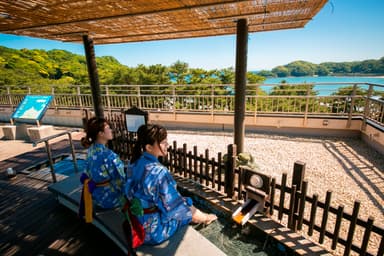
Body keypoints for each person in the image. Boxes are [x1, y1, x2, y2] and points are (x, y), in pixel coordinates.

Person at [124, 123, 217, 245]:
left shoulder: (134, 163)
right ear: (149, 147)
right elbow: (177, 209)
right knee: (185, 207)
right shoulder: (159, 172)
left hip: (134, 221)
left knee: (180, 201)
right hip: (152, 231)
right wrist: (200, 215)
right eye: (162, 142)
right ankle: (206, 218)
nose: (166, 144)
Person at [79, 117, 126, 222]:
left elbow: (85, 172)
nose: (111, 130)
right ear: (101, 133)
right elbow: (121, 179)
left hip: (97, 195)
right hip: (110, 199)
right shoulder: (108, 155)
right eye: (108, 128)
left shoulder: (91, 150)